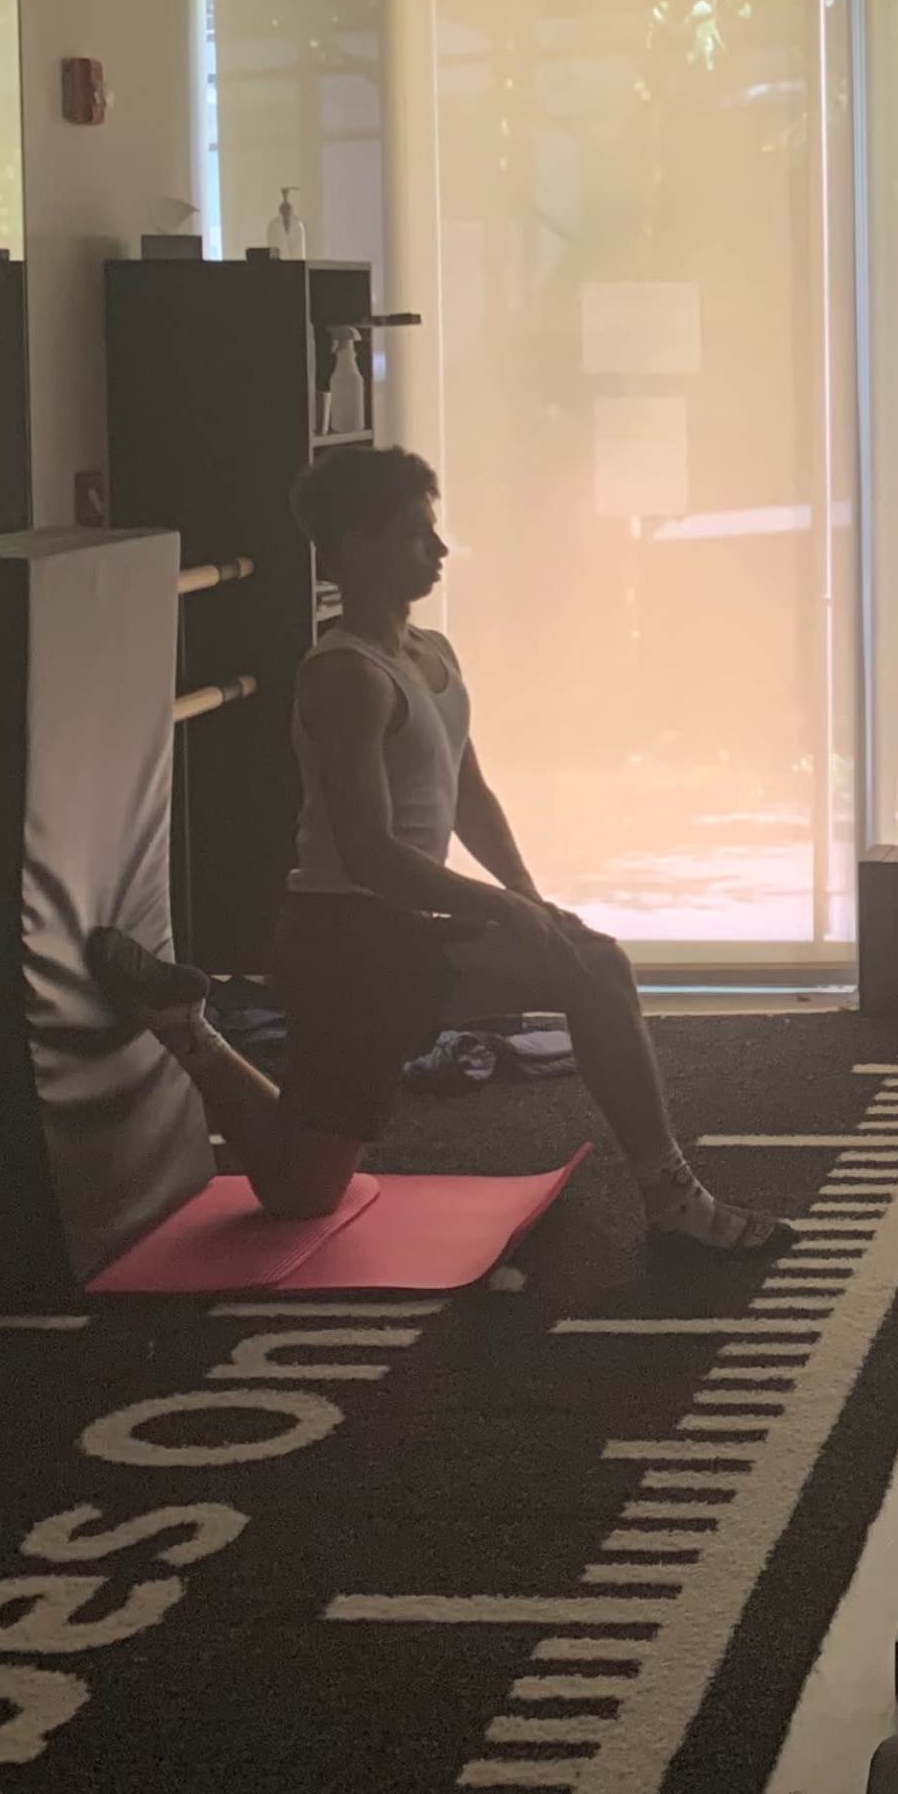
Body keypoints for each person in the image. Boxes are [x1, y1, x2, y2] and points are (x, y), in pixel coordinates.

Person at [88, 444, 793, 1254]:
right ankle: (191, 1031)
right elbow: (367, 854)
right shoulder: (345, 677)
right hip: (345, 940)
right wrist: (496, 906)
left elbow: (471, 797)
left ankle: (671, 1200)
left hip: (408, 930)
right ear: (356, 546)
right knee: (298, 1194)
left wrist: (527, 894)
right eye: (419, 535)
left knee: (595, 966)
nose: (442, 551)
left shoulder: (432, 655)